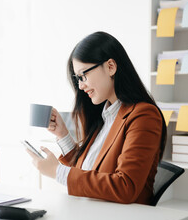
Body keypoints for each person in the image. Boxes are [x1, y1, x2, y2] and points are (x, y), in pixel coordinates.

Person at [26, 31, 166, 204]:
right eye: (77, 78)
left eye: (83, 75)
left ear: (110, 67)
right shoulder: (105, 116)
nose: (80, 85)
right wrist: (63, 135)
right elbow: (89, 171)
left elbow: (125, 187)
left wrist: (57, 171)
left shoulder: (144, 116)